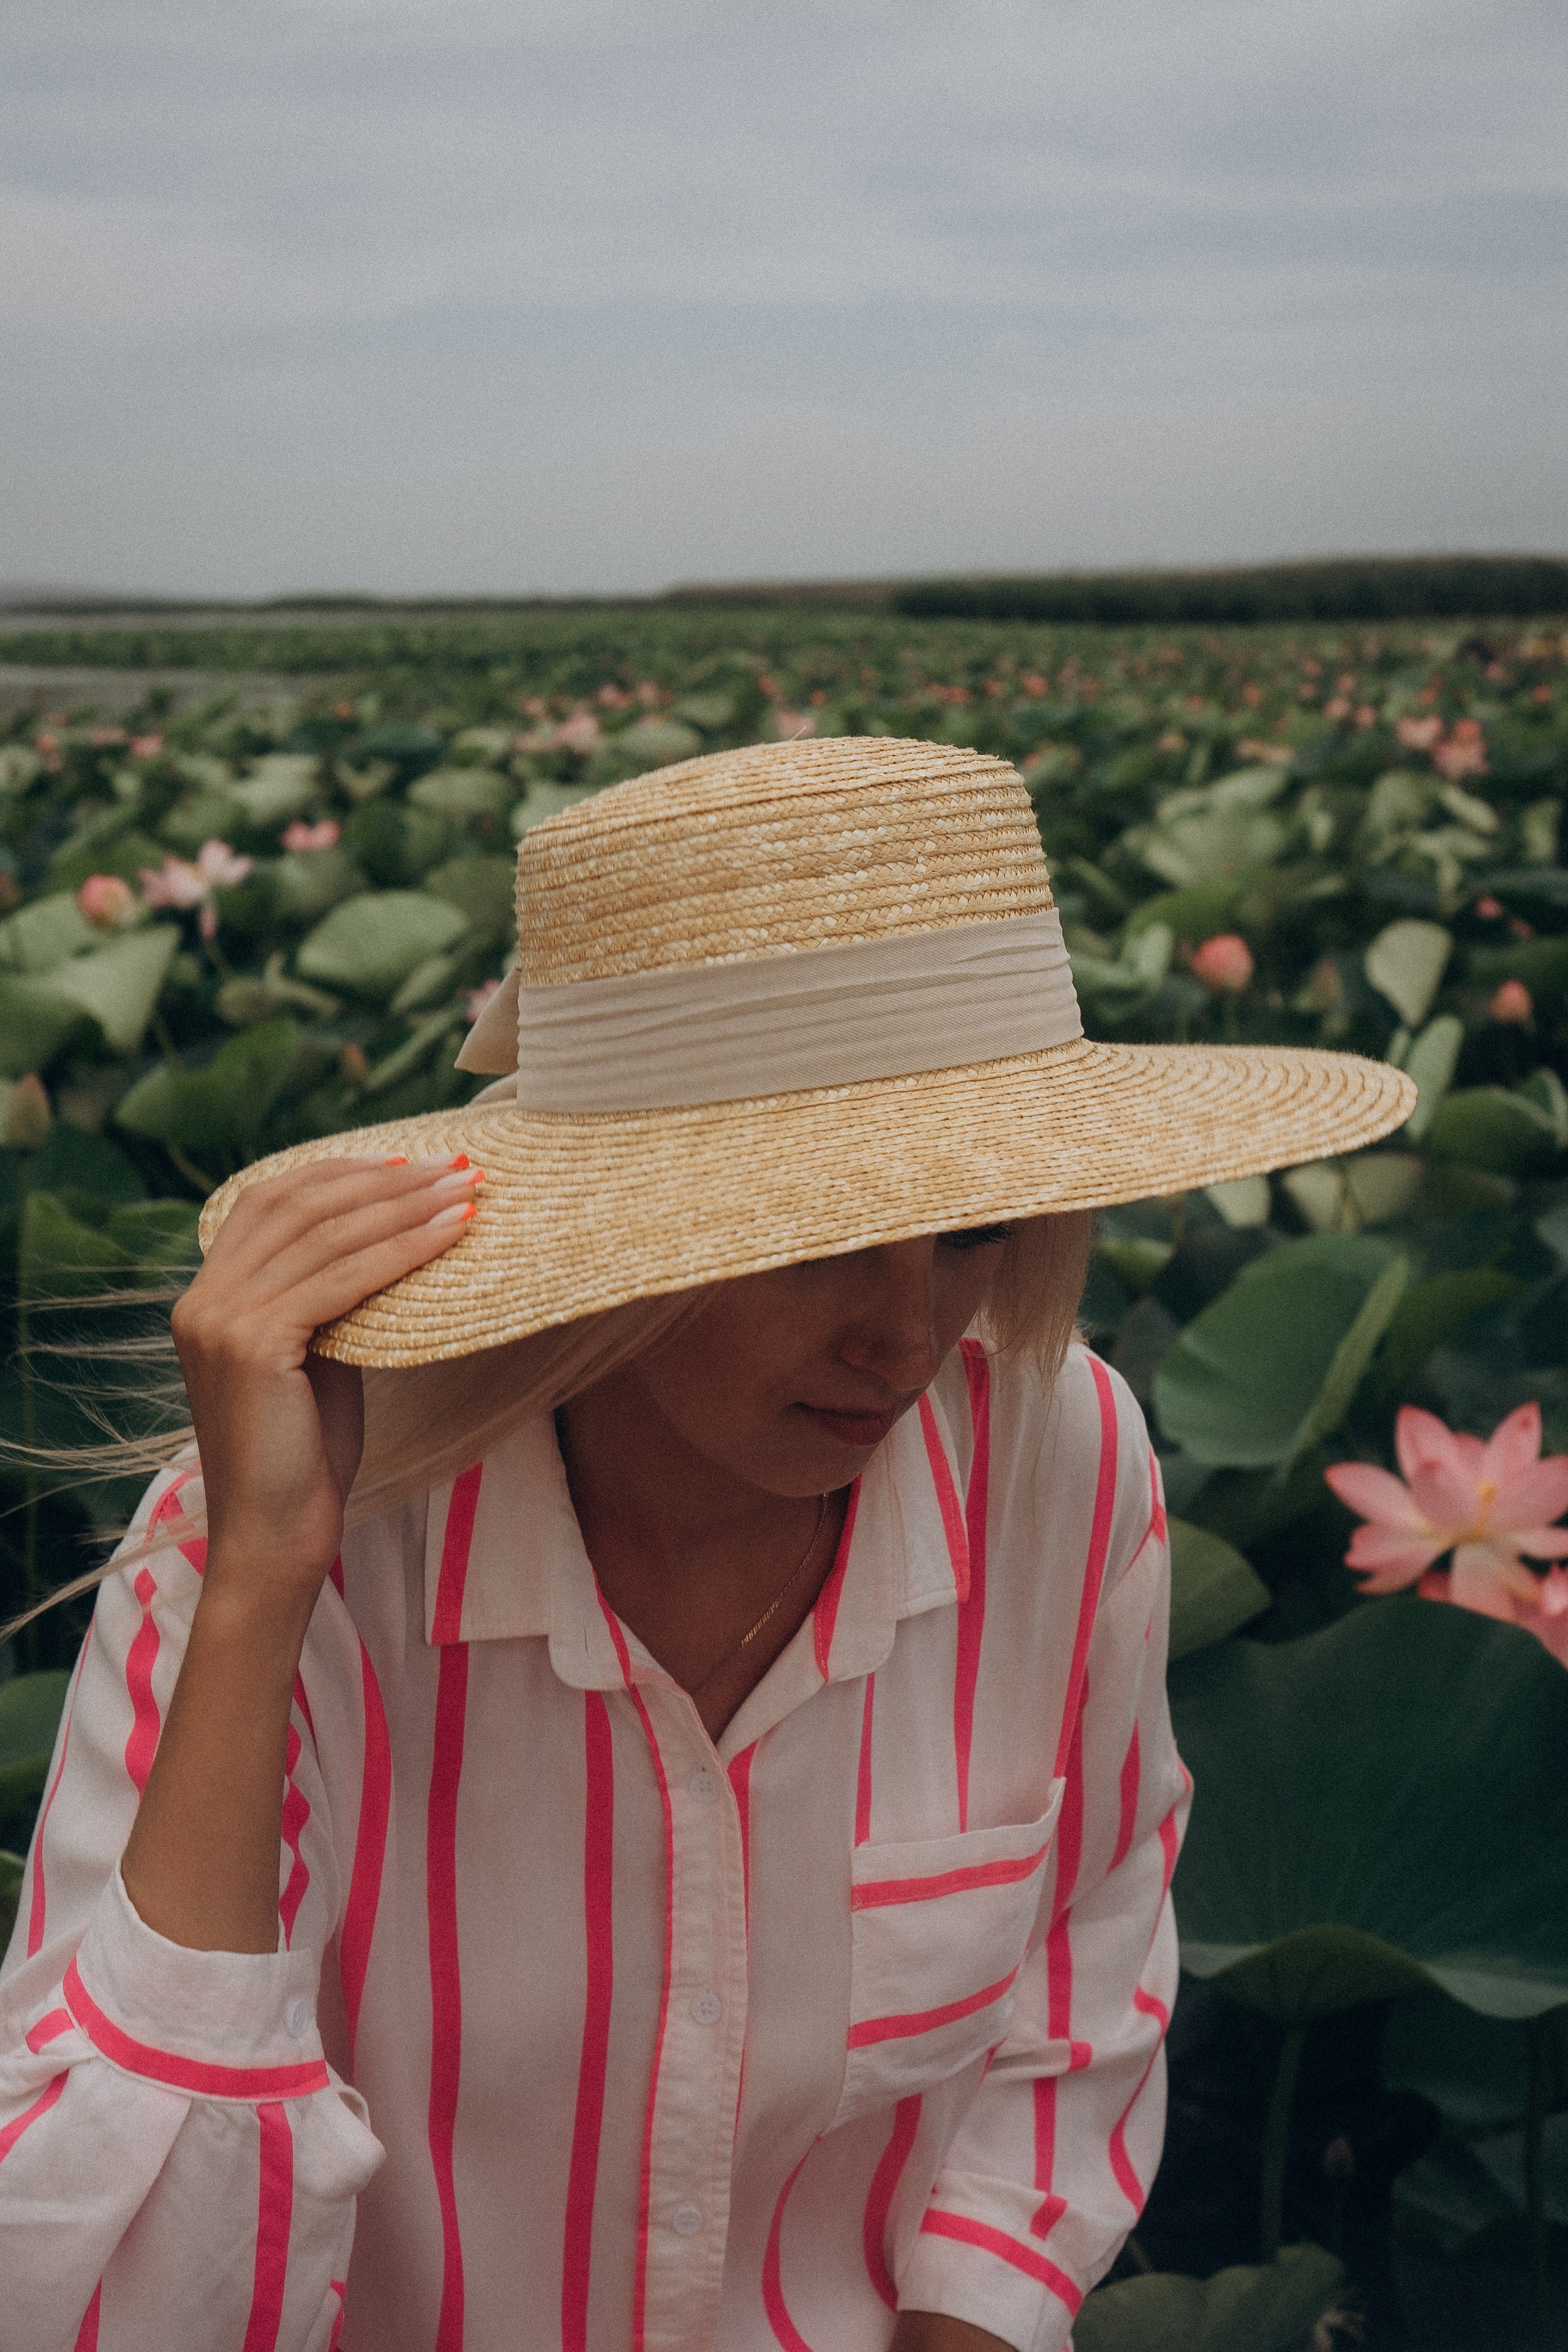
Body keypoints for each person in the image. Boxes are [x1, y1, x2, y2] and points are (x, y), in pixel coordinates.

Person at [0, 736, 1413, 2351]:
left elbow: (1078, 1998)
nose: (905, 1337)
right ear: (608, 1234)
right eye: (816, 1240)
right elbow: (99, 2307)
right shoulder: (275, 1541)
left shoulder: (1059, 1457)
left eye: (972, 1227)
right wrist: (258, 1587)